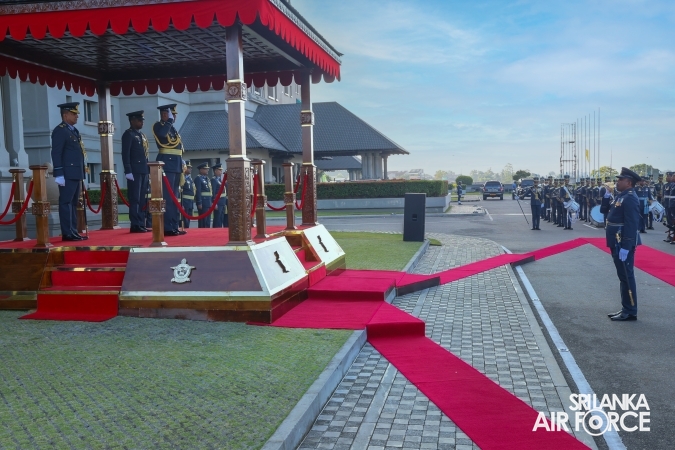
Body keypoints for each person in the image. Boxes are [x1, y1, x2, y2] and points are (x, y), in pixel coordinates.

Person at [602, 167, 642, 321]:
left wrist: (626, 246)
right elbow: (604, 210)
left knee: (626, 276)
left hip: (622, 242)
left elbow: (632, 223)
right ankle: (626, 308)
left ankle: (630, 310)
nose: (617, 182)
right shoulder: (621, 196)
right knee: (623, 275)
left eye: (620, 180)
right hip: (616, 240)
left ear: (629, 182)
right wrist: (607, 196)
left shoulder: (630, 197)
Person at [51, 102, 88, 241]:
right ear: (65, 115)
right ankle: (67, 233)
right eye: (74, 114)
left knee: (73, 203)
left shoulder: (73, 131)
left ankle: (73, 231)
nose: (77, 116)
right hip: (66, 173)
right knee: (66, 203)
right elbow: (56, 153)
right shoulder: (60, 130)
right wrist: (59, 173)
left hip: (75, 173)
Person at [153, 103, 186, 236]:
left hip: (176, 164)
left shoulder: (172, 128)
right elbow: (162, 135)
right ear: (165, 114)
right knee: (168, 197)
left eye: (174, 115)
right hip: (167, 164)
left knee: (174, 198)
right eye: (172, 115)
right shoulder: (159, 126)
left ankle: (174, 225)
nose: (174, 117)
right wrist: (169, 122)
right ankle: (167, 227)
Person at [121, 110, 149, 233]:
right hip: (134, 171)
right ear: (132, 121)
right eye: (139, 120)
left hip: (143, 170)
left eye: (142, 120)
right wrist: (128, 170)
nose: (141, 122)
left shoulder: (142, 135)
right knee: (135, 198)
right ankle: (135, 224)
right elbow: (125, 154)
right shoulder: (128, 134)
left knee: (142, 199)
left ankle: (141, 223)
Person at [195, 162, 213, 228]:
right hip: (203, 202)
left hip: (208, 202)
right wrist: (199, 202)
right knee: (203, 220)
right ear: (201, 170)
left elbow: (210, 191)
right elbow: (198, 191)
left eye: (207, 169)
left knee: (208, 220)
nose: (207, 170)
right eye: (205, 169)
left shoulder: (207, 179)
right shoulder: (198, 178)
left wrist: (211, 202)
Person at [211, 163, 228, 227]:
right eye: (219, 170)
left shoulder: (220, 180)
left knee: (221, 218)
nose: (221, 171)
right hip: (218, 202)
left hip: (222, 202)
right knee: (217, 219)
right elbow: (213, 192)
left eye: (221, 170)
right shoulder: (214, 180)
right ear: (215, 171)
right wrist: (214, 203)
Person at [181, 161, 195, 228]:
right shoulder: (182, 177)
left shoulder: (189, 178)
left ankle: (187, 228)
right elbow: (180, 191)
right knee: (185, 218)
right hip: (185, 200)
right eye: (188, 168)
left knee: (188, 217)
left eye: (190, 168)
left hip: (190, 201)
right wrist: (181, 204)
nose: (190, 169)